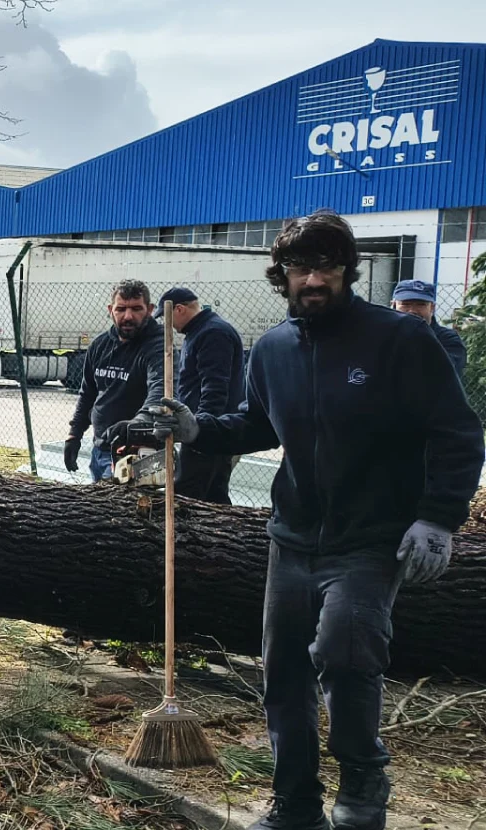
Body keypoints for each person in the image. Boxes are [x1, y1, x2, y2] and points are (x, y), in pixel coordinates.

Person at [108, 210, 484, 830]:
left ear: (347, 271)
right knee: (282, 673)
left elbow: (458, 432)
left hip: (372, 536)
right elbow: (256, 424)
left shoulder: (399, 341)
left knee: (345, 653)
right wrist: (198, 427)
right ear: (280, 275)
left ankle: (363, 786)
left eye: (328, 267)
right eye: (301, 268)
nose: (315, 279)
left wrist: (438, 518)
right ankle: (295, 803)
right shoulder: (275, 349)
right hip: (292, 535)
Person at [62, 280, 166, 482]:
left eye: (137, 309)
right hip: (101, 449)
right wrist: (74, 434)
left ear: (150, 310)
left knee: (130, 511)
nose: (128, 316)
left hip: (142, 452)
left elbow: (161, 387)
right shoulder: (100, 345)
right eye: (121, 309)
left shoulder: (159, 347)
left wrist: (140, 422)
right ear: (111, 310)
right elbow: (88, 393)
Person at [157, 286, 244, 503]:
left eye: (166, 317)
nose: (167, 324)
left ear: (179, 309)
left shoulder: (212, 333)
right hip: (204, 429)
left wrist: (202, 429)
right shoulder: (200, 331)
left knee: (189, 495)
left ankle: (195, 536)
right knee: (212, 494)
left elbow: (214, 388)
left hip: (209, 432)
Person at [391, 280, 466, 376]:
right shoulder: (383, 335)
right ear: (393, 306)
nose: (412, 310)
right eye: (406, 304)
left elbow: (445, 373)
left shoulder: (448, 339)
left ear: (432, 308)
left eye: (421, 304)